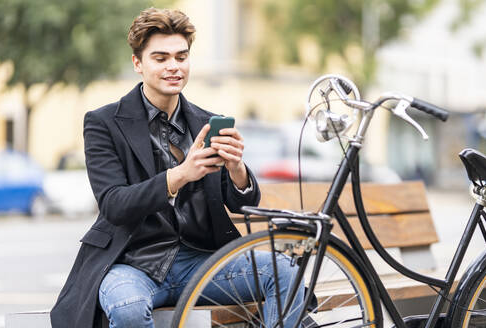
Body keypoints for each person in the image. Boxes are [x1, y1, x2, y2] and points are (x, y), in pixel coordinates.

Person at [50, 8, 304, 328]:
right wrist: (181, 174)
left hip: (201, 260)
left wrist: (237, 168)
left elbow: (243, 203)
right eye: (161, 58)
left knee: (285, 272)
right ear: (138, 64)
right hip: (132, 262)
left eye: (181, 57)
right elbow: (114, 205)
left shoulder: (205, 121)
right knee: (127, 309)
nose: (174, 66)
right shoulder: (103, 123)